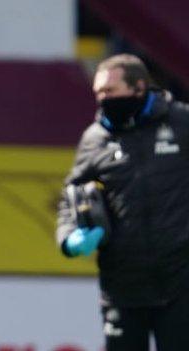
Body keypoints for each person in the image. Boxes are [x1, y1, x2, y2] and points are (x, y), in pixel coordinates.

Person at [56, 53, 189, 350]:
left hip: (181, 284)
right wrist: (68, 237)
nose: (103, 99)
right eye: (98, 93)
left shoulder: (182, 123)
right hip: (122, 287)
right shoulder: (95, 138)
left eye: (110, 91)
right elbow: (70, 195)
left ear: (139, 88)